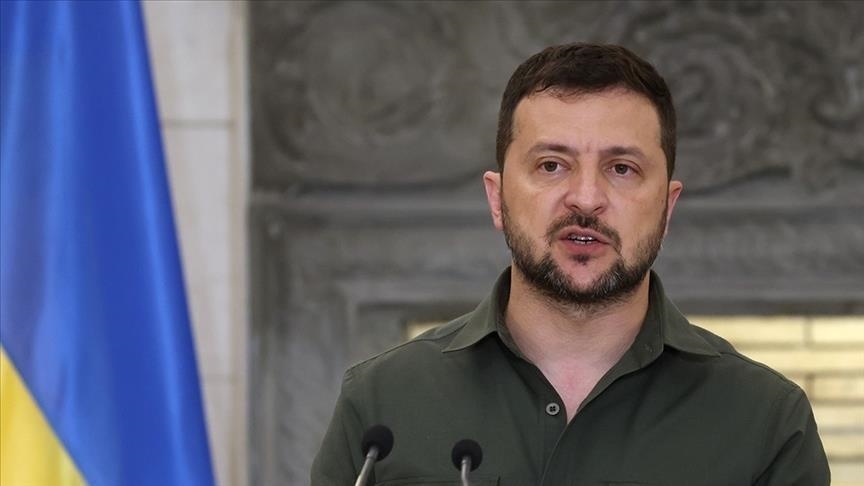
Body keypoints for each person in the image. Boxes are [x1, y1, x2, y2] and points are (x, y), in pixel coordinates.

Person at [311, 43, 830, 485]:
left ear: (667, 207)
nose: (586, 198)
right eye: (551, 165)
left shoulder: (767, 421)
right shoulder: (380, 401)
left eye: (621, 168)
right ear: (497, 198)